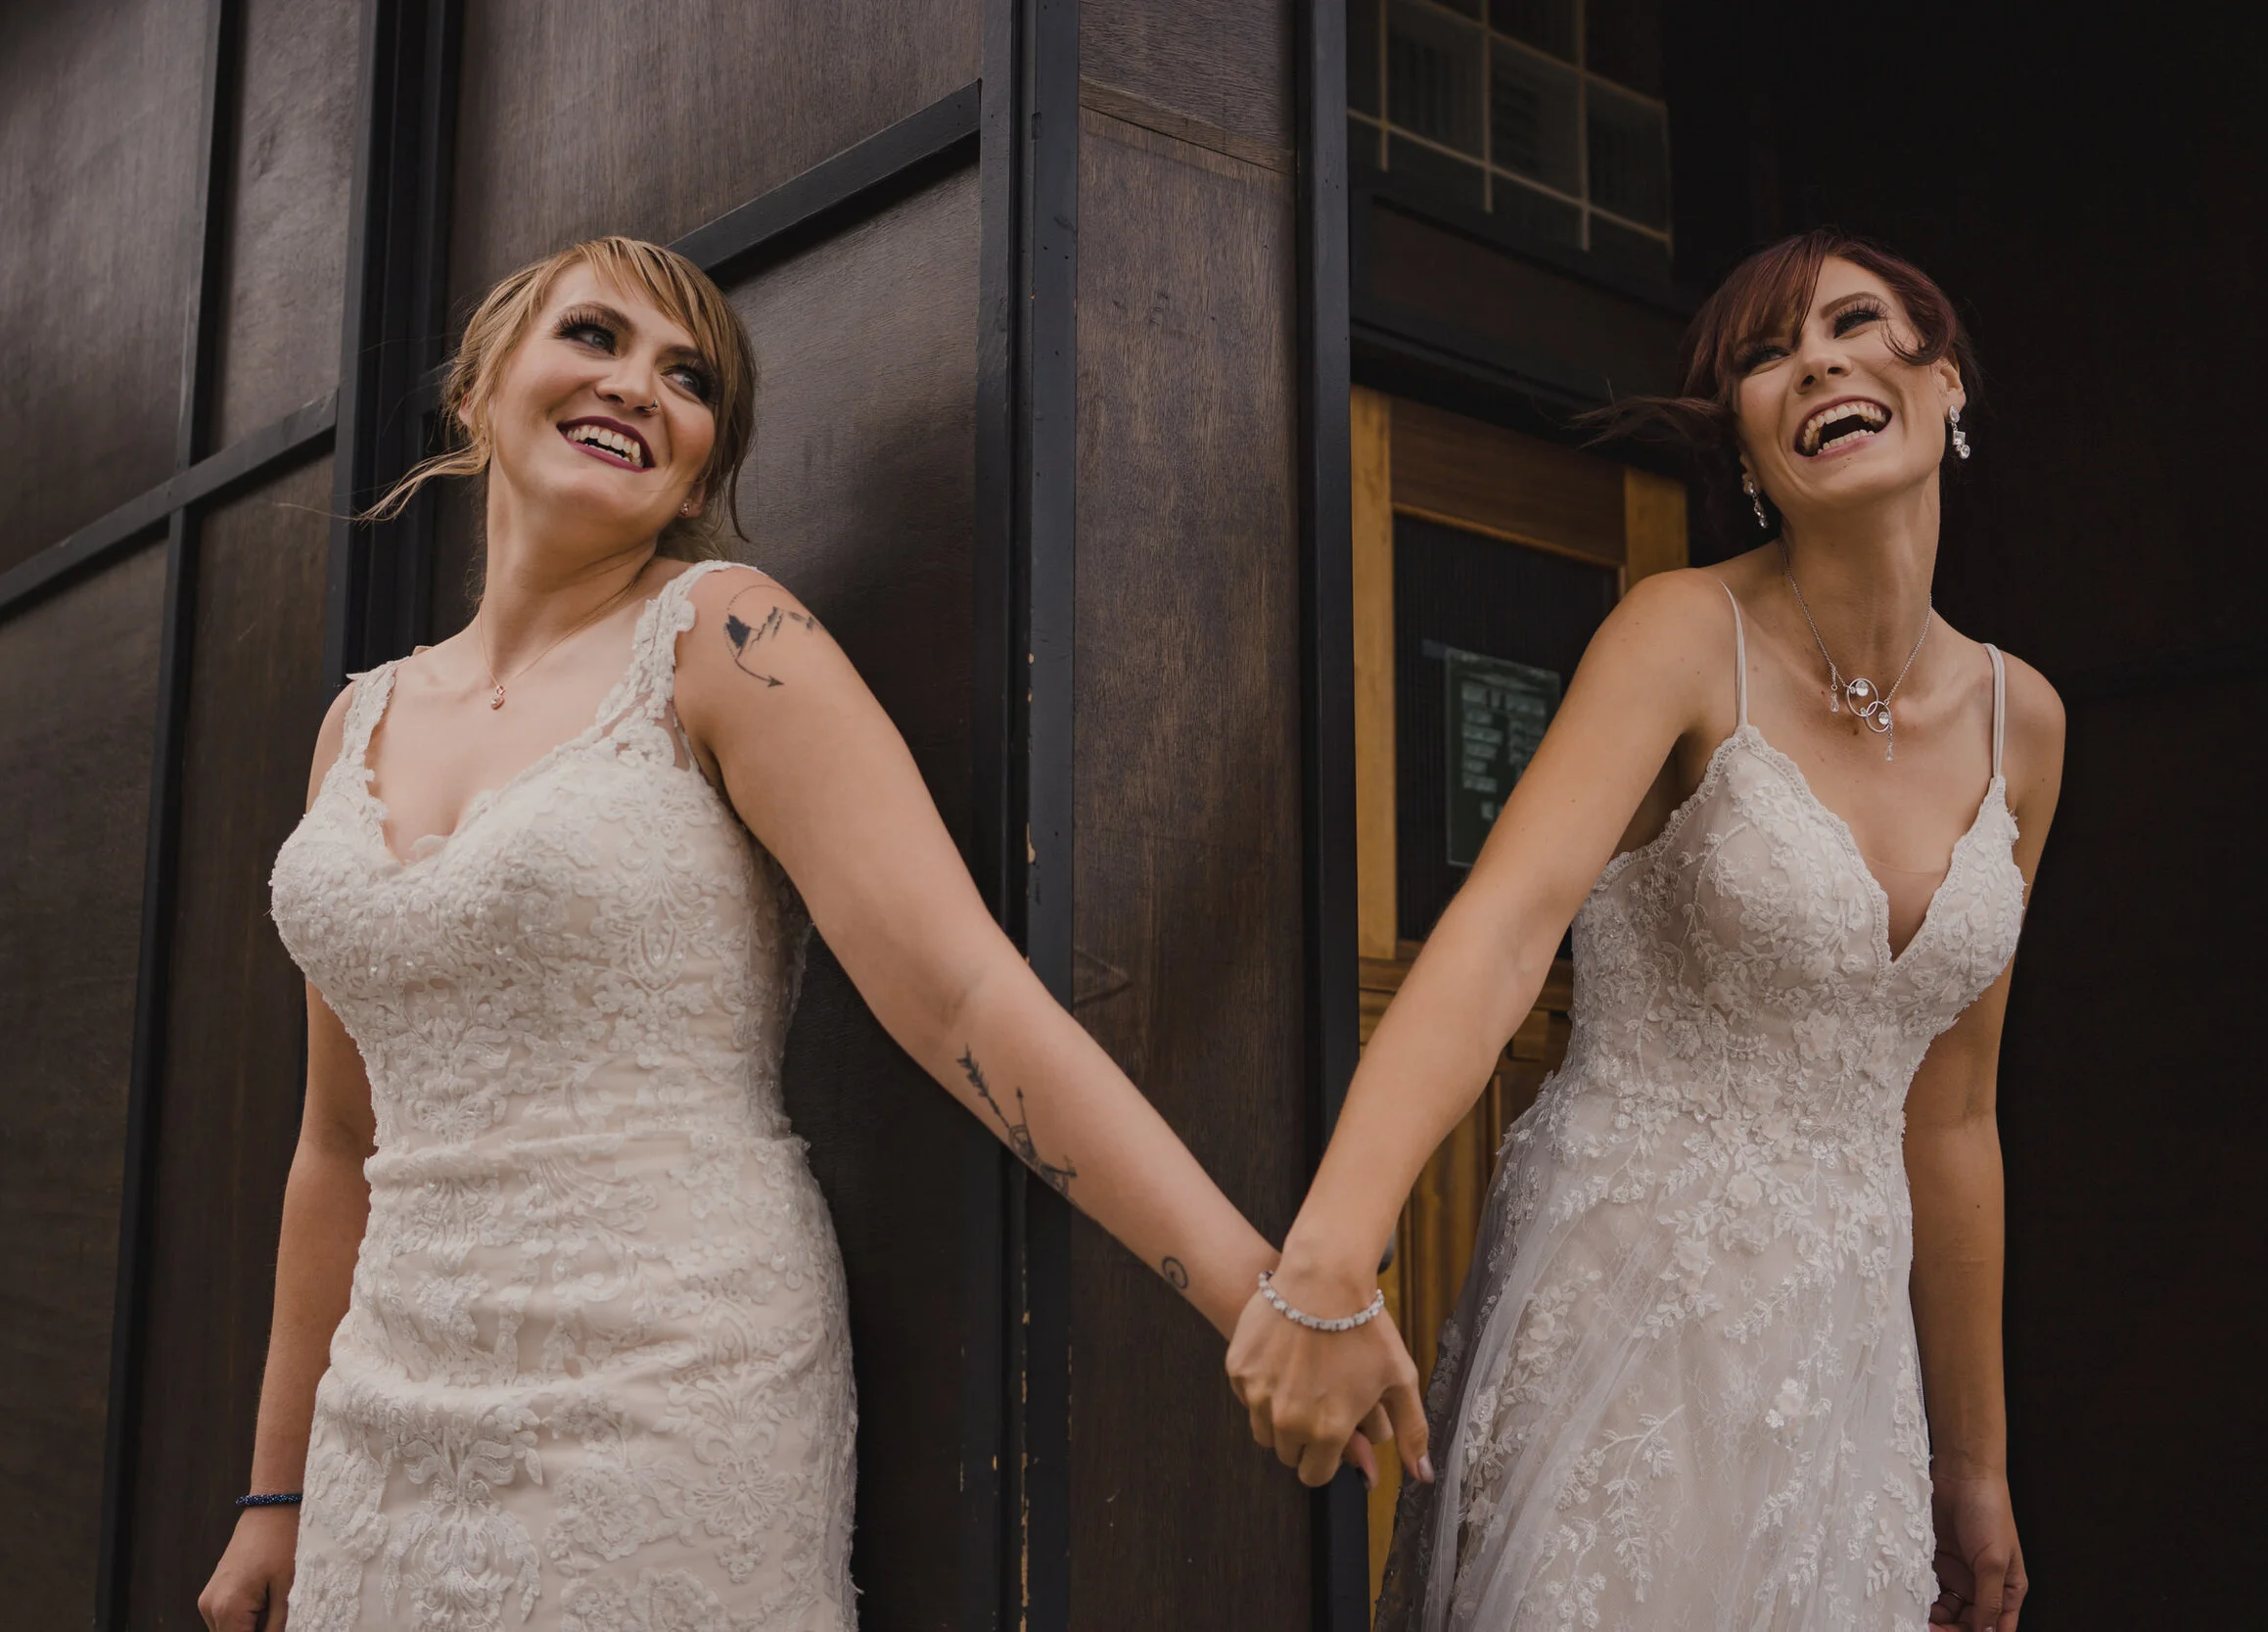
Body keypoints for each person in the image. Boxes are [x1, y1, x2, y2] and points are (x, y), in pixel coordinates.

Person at [195, 235, 1369, 1632]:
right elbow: (340, 1140)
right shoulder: (359, 722)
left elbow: (960, 994)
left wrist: (1259, 1289)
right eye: (595, 336)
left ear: (698, 477)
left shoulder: (723, 638)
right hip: (385, 1410)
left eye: (689, 379)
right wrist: (278, 1491)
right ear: (478, 389)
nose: (639, 386)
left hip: (665, 1381)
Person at [1226, 229, 2057, 1632]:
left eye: (1854, 323)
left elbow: (1954, 1112)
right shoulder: (1679, 632)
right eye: (1767, 356)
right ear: (1746, 443)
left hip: (1849, 1357)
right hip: (1629, 1305)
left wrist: (1975, 1466)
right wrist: (1331, 1253)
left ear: (1946, 380)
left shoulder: (2020, 723)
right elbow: (1504, 933)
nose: (1817, 365)